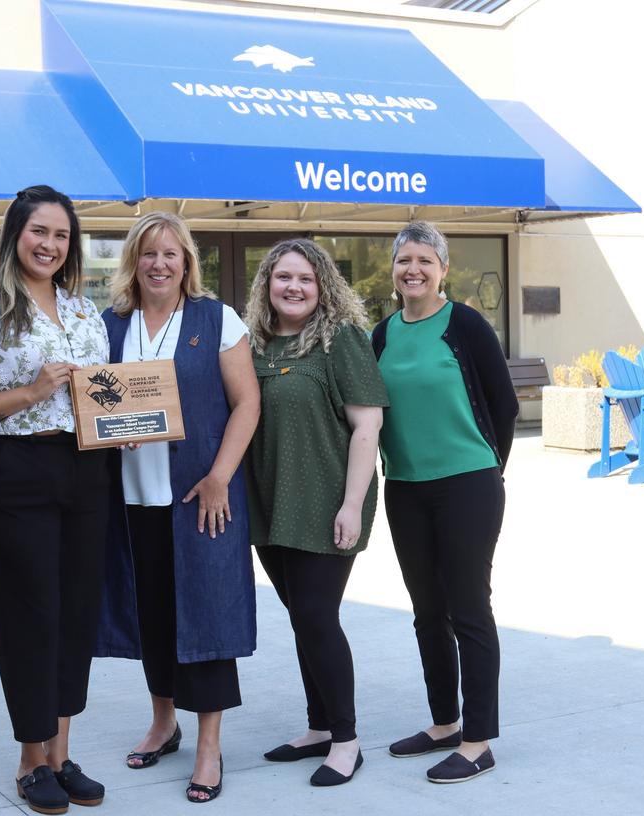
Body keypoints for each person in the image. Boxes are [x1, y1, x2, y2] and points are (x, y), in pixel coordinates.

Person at [0, 185, 110, 816]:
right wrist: (32, 392)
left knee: (74, 612)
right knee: (28, 613)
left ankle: (62, 757)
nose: (50, 244)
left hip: (86, 469)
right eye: (39, 231)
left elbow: (104, 397)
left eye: (62, 235)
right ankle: (29, 760)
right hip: (13, 467)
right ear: (15, 234)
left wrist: (122, 427)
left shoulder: (84, 312)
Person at [95, 212, 259, 804]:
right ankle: (164, 722)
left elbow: (247, 403)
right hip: (133, 498)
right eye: (148, 254)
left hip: (200, 496)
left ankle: (209, 746)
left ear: (187, 261)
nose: (159, 264)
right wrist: (117, 429)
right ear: (132, 262)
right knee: (153, 613)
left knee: (208, 615)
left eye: (171, 254)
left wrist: (220, 477)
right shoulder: (111, 325)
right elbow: (96, 403)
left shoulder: (218, 319)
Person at [370, 221, 517, 784]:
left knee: (467, 610)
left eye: (424, 261)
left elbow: (502, 406)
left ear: (443, 269)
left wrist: (488, 469)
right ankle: (443, 724)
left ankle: (478, 740)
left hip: (467, 484)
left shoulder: (466, 325)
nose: (413, 270)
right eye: (404, 260)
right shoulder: (381, 334)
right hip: (404, 486)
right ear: (394, 269)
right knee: (427, 611)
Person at [243, 238, 387, 788]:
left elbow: (367, 426)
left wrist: (353, 504)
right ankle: (319, 726)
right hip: (271, 501)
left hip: (327, 501)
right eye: (283, 277)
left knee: (318, 618)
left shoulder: (340, 340)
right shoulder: (257, 344)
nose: (294, 287)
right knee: (303, 617)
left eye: (305, 278)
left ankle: (347, 740)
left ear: (322, 284)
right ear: (267, 285)